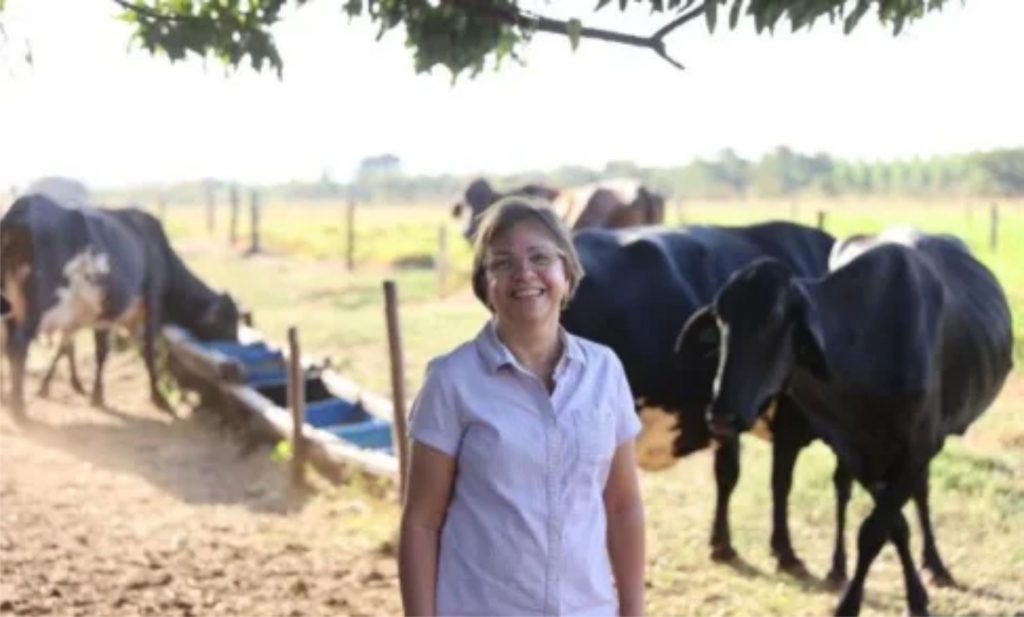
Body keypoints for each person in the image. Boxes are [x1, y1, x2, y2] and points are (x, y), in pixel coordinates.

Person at [398, 196, 646, 616]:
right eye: (503, 263)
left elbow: (623, 507)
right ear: (485, 284)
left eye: (540, 258)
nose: (524, 274)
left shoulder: (605, 371)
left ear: (566, 273)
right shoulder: (452, 381)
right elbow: (421, 523)